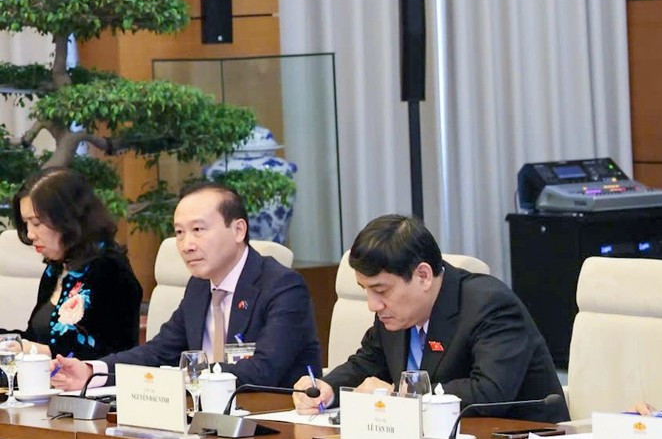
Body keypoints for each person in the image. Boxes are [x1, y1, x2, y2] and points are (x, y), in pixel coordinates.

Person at [52, 180, 319, 392]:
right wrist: (93, 371)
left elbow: (264, 370)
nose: (186, 245)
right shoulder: (199, 286)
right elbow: (159, 352)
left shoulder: (282, 286)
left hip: (271, 420)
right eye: (179, 232)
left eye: (198, 230)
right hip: (204, 417)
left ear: (238, 230)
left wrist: (184, 378)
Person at [295, 214, 566, 422]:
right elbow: (367, 363)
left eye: (381, 290)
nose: (372, 305)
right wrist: (326, 388)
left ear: (423, 276)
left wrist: (398, 396)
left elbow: (489, 393)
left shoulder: (490, 305)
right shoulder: (395, 314)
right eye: (365, 290)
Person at [11, 167, 141, 360]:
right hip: (47, 377)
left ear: (68, 219)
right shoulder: (56, 269)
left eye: (36, 223)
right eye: (26, 224)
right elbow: (36, 338)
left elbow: (113, 353)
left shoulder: (110, 269)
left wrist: (41, 352)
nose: (30, 234)